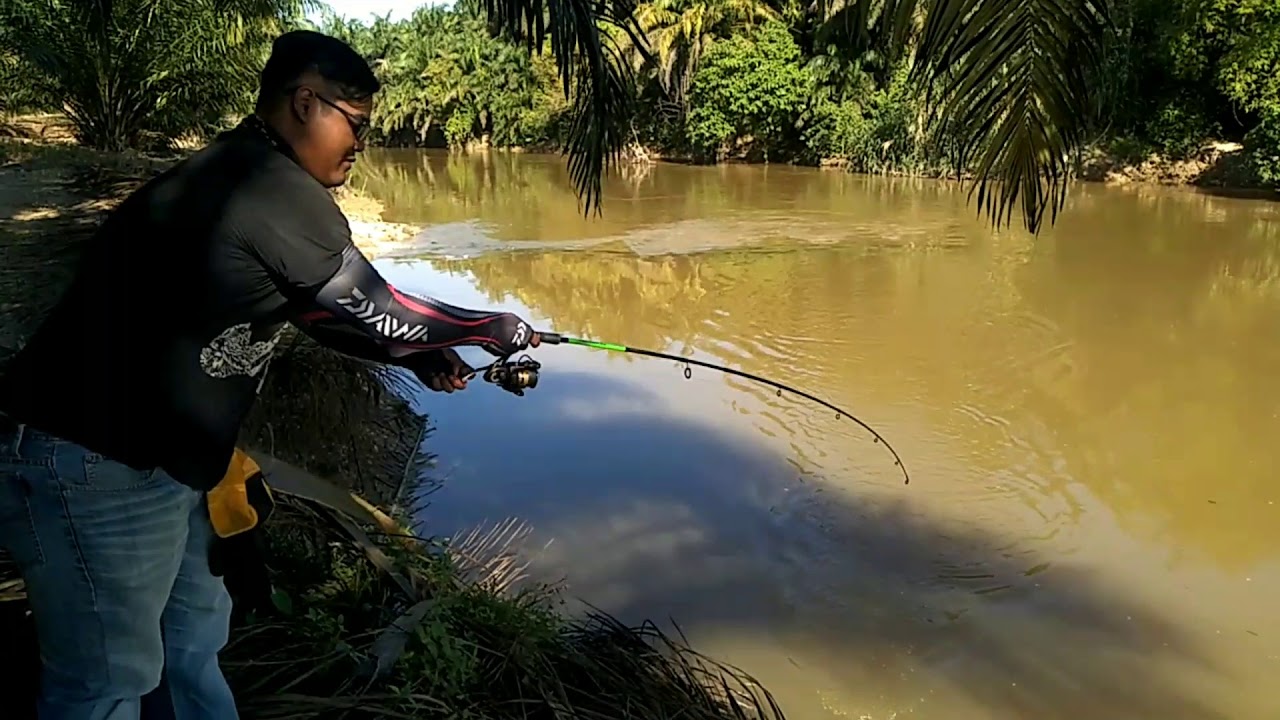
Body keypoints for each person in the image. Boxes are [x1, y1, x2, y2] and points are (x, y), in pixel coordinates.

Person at [0, 30, 538, 720]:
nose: (362, 143)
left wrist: (414, 354)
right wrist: (491, 327)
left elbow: (322, 316)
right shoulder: (268, 186)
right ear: (305, 103)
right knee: (105, 682)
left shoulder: (244, 173)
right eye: (357, 123)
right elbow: (384, 310)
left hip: (165, 464)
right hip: (93, 462)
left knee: (190, 647)